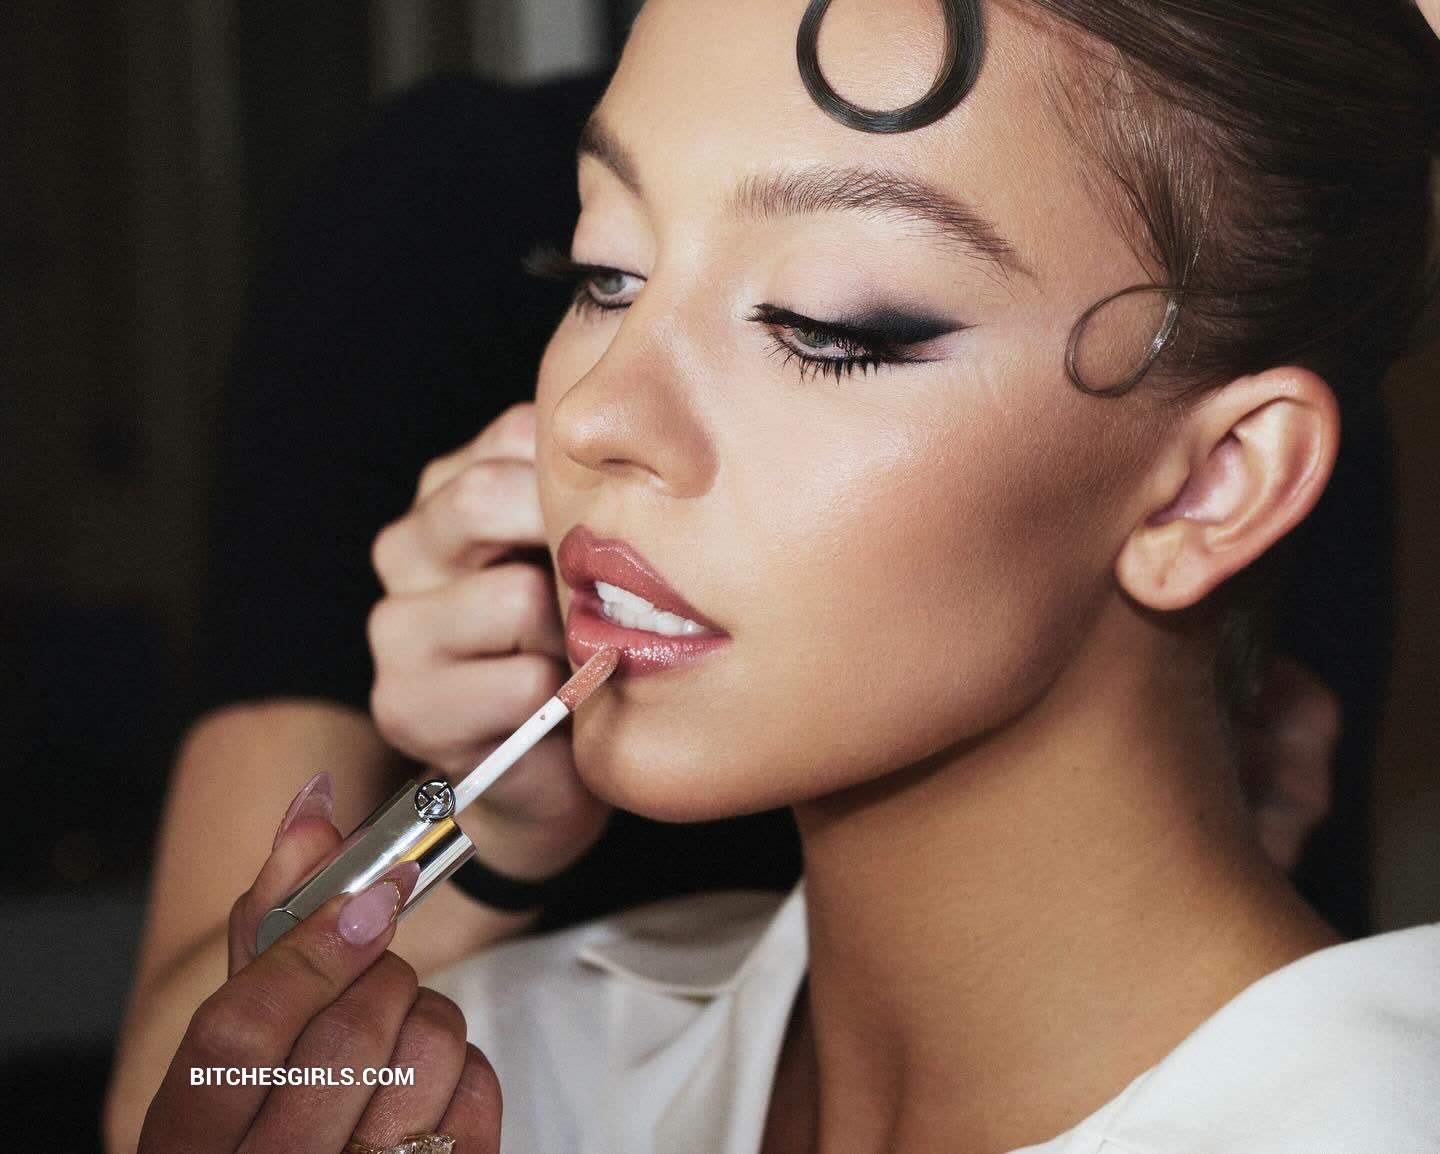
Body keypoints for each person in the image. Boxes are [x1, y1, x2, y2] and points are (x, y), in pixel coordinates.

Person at [111, 0, 1439, 1151]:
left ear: (1217, 481)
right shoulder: (491, 1074)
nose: (595, 415)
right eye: (606, 272)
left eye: (825, 325)